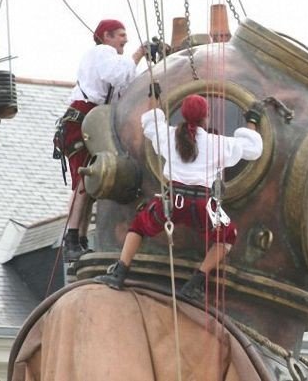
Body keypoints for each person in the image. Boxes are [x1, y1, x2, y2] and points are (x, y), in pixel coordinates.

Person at [95, 92, 264, 299]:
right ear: (206, 117)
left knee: (138, 226)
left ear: (183, 115)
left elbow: (151, 124)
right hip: (203, 206)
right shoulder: (216, 143)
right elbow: (252, 149)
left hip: (172, 202)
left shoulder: (169, 135)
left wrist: (154, 98)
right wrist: (252, 122)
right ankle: (196, 282)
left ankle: (119, 272)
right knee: (228, 236)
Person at [60, 19, 147, 262]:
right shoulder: (102, 52)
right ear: (106, 37)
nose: (125, 40)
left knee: (91, 183)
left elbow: (129, 85)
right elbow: (117, 76)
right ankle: (72, 237)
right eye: (120, 35)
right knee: (85, 181)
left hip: (91, 121)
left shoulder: (114, 59)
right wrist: (139, 53)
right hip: (83, 120)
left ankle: (80, 238)